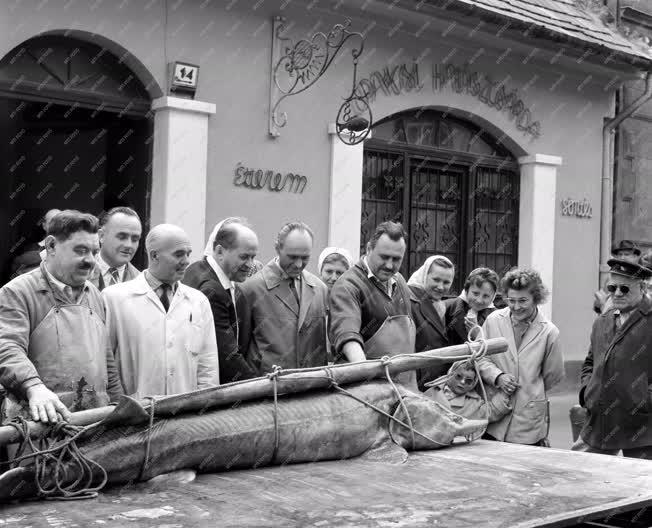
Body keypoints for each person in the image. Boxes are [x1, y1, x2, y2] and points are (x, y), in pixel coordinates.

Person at [0, 210, 122, 423]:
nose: (91, 260)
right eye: (81, 250)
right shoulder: (17, 292)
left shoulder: (94, 294)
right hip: (39, 425)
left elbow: (106, 360)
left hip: (92, 420)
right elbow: (7, 347)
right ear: (51, 246)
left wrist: (119, 406)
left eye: (95, 251)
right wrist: (34, 388)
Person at [103, 224, 219, 398]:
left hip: (184, 415)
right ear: (154, 255)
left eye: (188, 253)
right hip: (134, 414)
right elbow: (105, 362)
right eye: (179, 254)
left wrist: (204, 406)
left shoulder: (198, 301)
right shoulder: (114, 298)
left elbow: (207, 364)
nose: (187, 261)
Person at [572, 258, 652, 458]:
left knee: (639, 485)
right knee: (581, 475)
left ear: (642, 287)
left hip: (642, 426)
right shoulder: (603, 320)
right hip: (599, 422)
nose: (617, 293)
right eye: (612, 287)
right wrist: (586, 392)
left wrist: (644, 399)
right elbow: (590, 362)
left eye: (624, 289)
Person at [478, 268, 564, 446]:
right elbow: (479, 357)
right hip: (494, 409)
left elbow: (553, 375)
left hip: (528, 417)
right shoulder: (493, 320)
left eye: (523, 300)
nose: (516, 307)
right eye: (511, 300)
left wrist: (529, 389)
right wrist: (498, 377)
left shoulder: (549, 332)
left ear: (536, 299)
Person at [329, 221, 416, 389]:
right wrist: (363, 369)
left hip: (403, 392)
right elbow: (348, 334)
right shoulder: (348, 286)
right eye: (384, 257)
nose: (390, 265)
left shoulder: (400, 282)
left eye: (397, 259)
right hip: (364, 393)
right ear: (369, 249)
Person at [238, 222, 328, 373]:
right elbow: (241, 349)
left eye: (305, 258)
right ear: (277, 248)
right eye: (292, 257)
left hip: (312, 388)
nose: (299, 264)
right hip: (268, 389)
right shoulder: (250, 289)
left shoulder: (320, 289)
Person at [183, 218, 259, 383]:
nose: (251, 264)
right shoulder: (212, 291)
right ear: (219, 252)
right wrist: (261, 388)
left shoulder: (197, 269)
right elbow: (227, 358)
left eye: (253, 257)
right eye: (244, 257)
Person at [407, 255, 455, 390]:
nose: (440, 287)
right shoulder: (409, 300)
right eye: (436, 280)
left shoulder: (440, 305)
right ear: (424, 275)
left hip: (434, 382)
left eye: (446, 282)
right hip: (417, 384)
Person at [423, 359, 512, 422]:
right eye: (458, 376)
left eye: (468, 381)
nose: (462, 382)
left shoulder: (474, 404)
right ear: (450, 374)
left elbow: (491, 412)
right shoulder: (433, 390)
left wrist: (504, 393)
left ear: (473, 384)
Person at [89, 207, 142, 291]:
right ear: (101, 236)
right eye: (122, 237)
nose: (129, 245)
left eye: (135, 239)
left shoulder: (142, 283)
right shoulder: (80, 272)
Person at [444, 267, 498, 345]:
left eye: (486, 296)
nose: (479, 300)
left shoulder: (498, 317)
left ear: (493, 296)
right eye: (475, 293)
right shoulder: (446, 307)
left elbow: (499, 351)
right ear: (466, 290)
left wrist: (478, 335)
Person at [593, 239, 642, 314]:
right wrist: (599, 303)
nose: (622, 257)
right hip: (614, 320)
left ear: (635, 256)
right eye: (620, 254)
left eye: (626, 254)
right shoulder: (611, 277)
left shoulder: (644, 277)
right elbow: (598, 306)